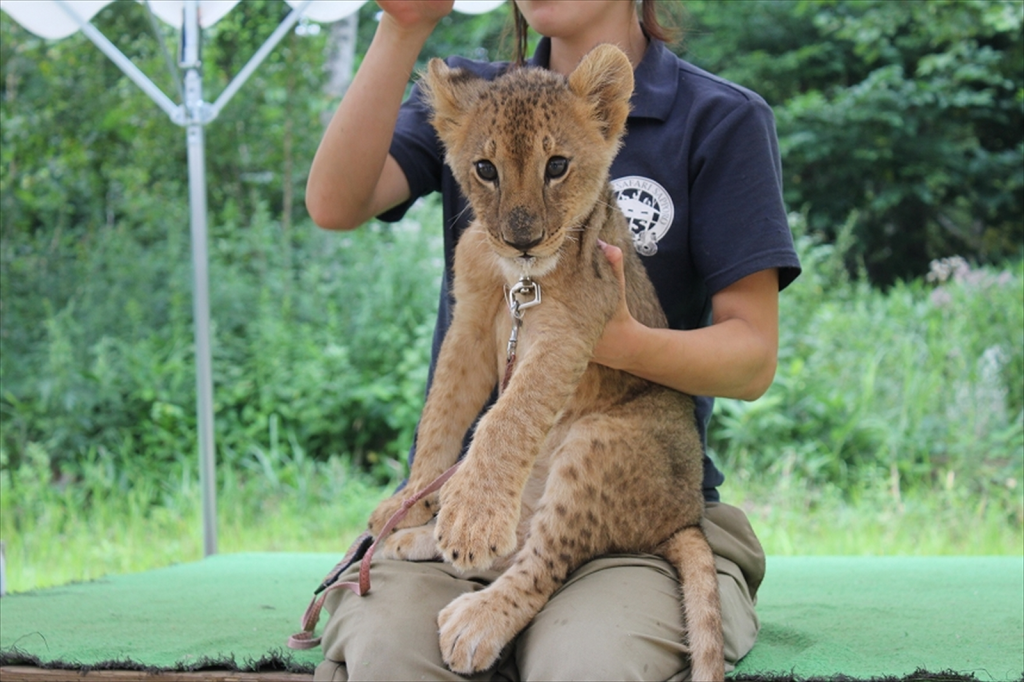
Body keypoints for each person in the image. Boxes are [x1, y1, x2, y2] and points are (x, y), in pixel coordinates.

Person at [305, 1, 801, 680]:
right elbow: (334, 204)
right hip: (465, 507)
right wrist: (404, 24)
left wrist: (618, 341)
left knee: (586, 665)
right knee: (389, 653)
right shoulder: (478, 96)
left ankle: (534, 586)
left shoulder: (720, 117)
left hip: (623, 507)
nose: (520, 217)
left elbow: (750, 361)